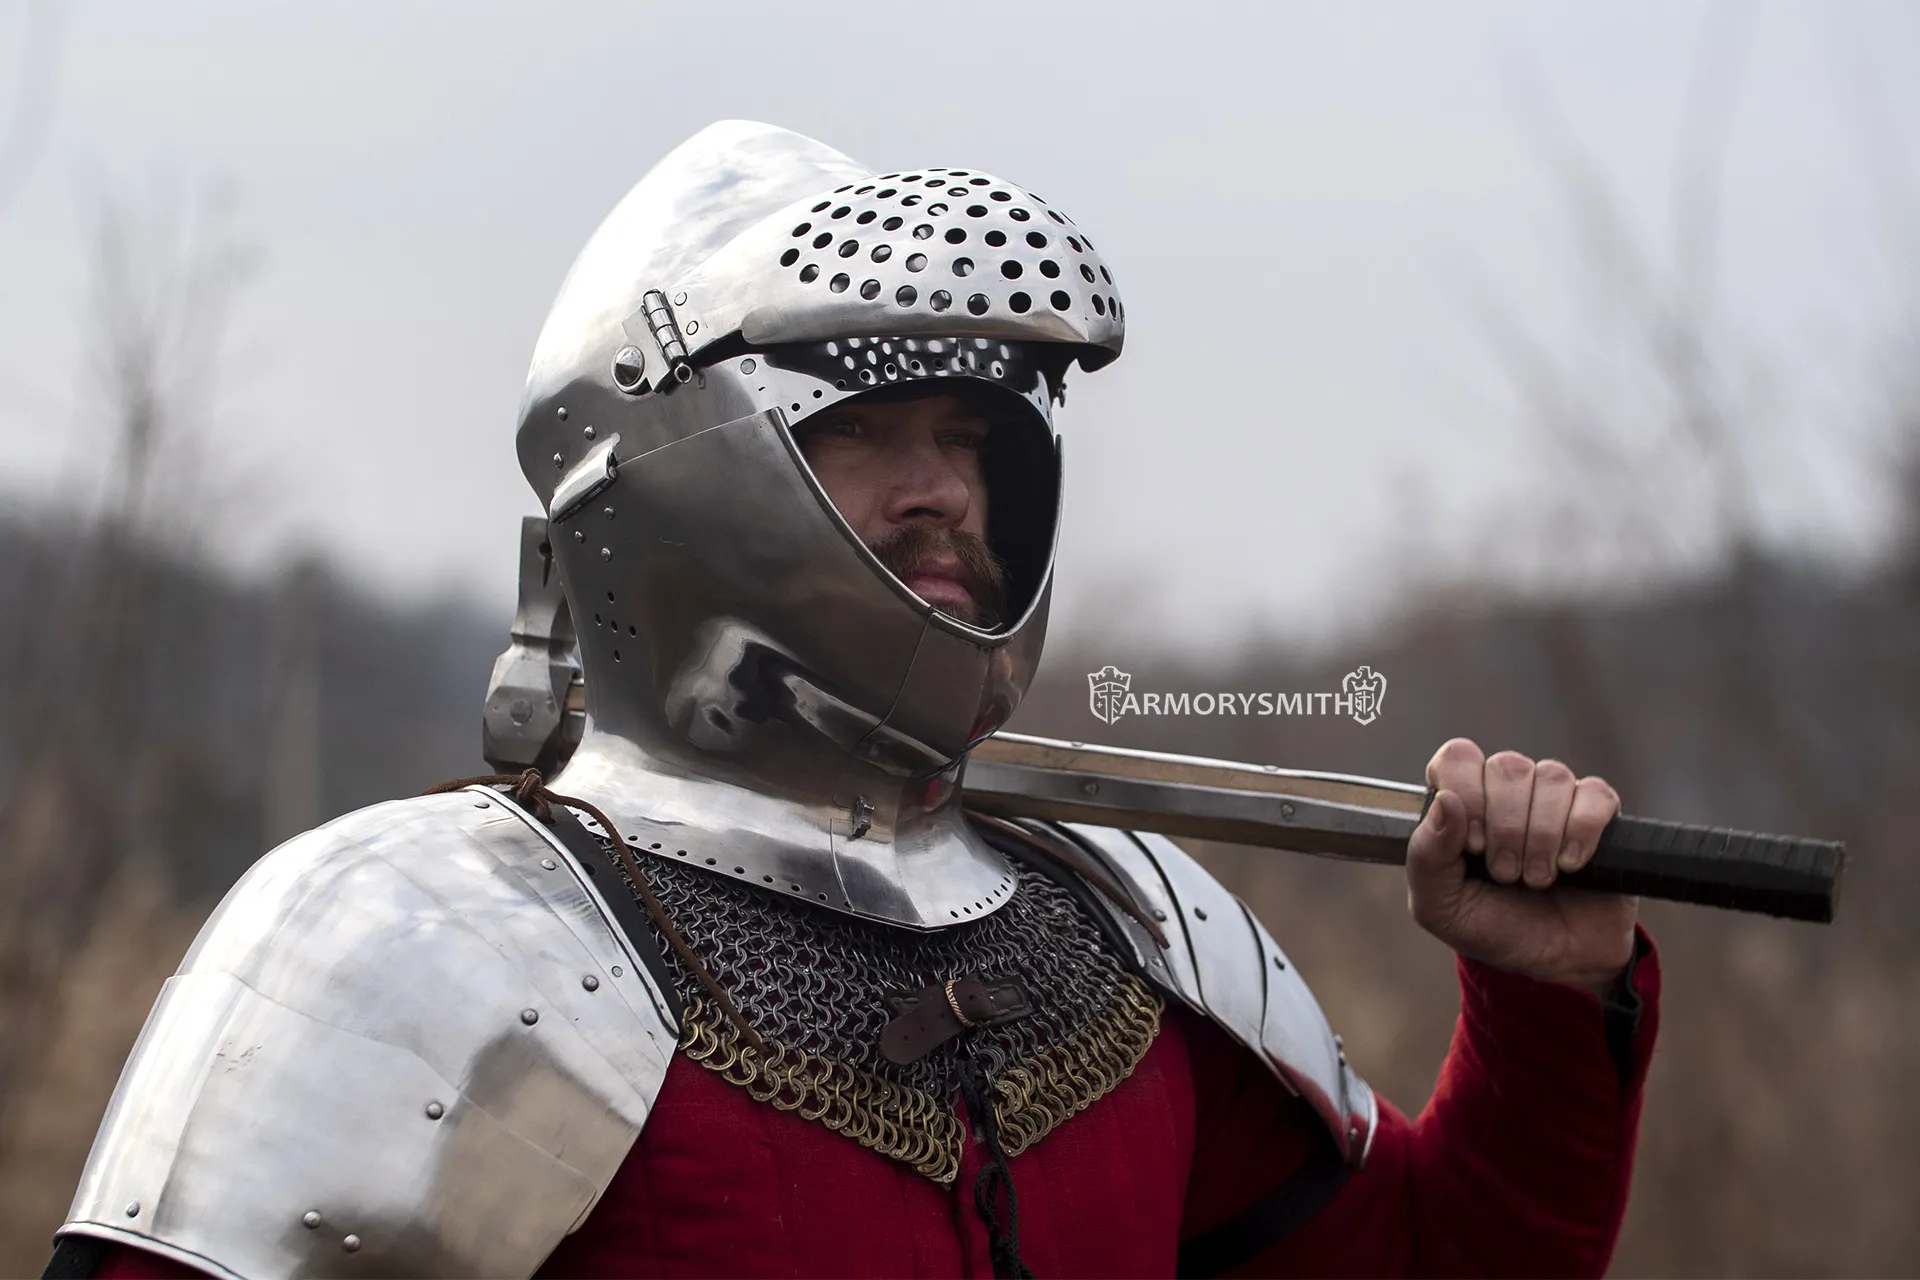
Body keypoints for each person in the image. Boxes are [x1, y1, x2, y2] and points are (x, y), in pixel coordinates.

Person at [48, 121, 1656, 1280]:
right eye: (877, 422)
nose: (946, 487)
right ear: (676, 475)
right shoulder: (420, 943)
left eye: (975, 436)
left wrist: (1548, 1000)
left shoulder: (1125, 932)